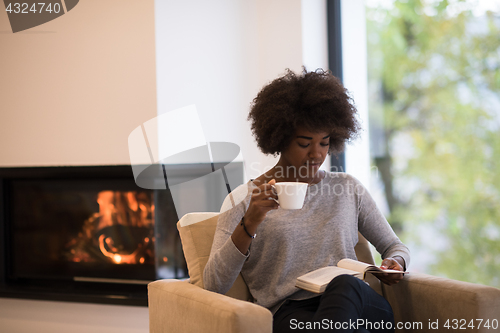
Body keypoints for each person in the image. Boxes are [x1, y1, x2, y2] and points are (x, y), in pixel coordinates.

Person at [203, 68, 410, 333]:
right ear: (280, 138)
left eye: (324, 143)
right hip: (292, 313)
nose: (316, 154)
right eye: (304, 143)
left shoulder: (347, 188)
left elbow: (395, 246)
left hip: (359, 303)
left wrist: (396, 264)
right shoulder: (245, 201)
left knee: (344, 285)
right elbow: (212, 286)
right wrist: (249, 224)